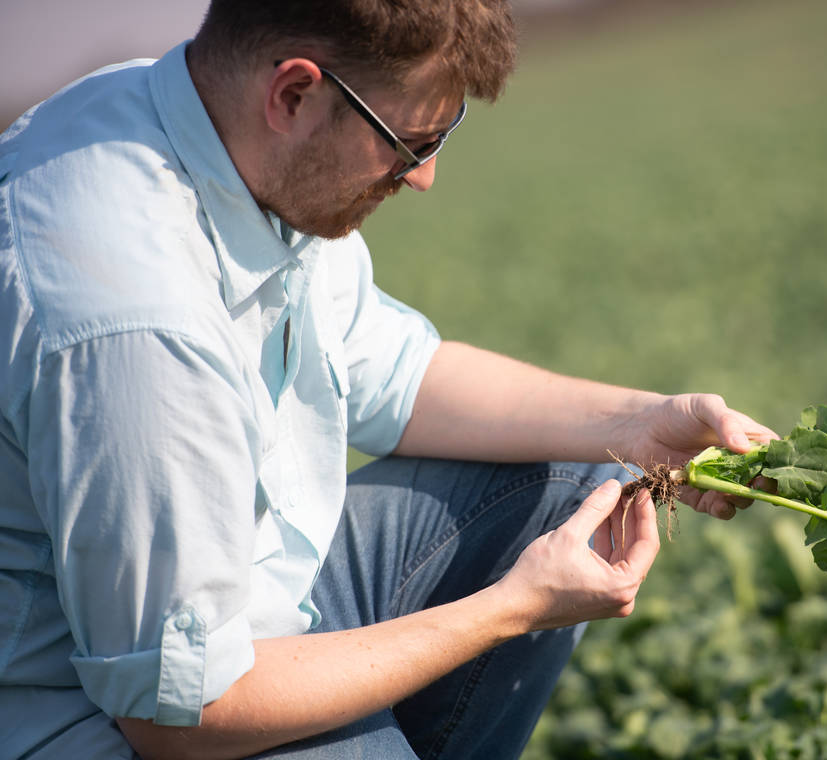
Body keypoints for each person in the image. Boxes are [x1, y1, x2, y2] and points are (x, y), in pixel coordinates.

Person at [0, 1, 776, 758]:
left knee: (569, 478)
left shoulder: (228, 139)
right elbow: (182, 714)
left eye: (441, 134)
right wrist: (508, 610)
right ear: (295, 94)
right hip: (101, 716)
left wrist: (635, 425)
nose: (424, 177)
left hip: (241, 598)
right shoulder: (135, 322)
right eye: (409, 141)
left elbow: (392, 372)